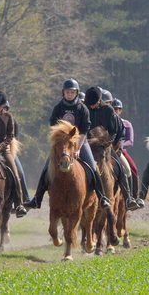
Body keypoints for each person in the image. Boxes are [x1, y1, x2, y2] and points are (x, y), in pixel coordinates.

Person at [24, 78, 111, 210]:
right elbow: (53, 127)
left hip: (80, 142)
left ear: (76, 93)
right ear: (63, 93)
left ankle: (102, 197)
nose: (69, 94)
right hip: (62, 144)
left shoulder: (83, 109)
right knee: (46, 168)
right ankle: (37, 198)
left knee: (93, 167)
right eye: (67, 92)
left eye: (72, 92)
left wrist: (77, 149)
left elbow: (84, 130)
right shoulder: (58, 108)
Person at [85, 86, 140, 211]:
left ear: (99, 100)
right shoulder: (86, 108)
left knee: (123, 168)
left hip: (105, 145)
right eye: (89, 104)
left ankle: (128, 197)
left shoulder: (108, 110)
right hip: (87, 145)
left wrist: (106, 142)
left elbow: (114, 132)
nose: (91, 107)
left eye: (93, 104)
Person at [112, 98, 144, 208]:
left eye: (117, 109)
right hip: (107, 151)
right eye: (113, 108)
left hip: (121, 152)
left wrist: (119, 146)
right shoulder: (107, 122)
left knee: (133, 169)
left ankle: (134, 196)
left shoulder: (126, 124)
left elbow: (130, 141)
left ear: (120, 111)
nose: (115, 111)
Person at [2, 101, 29, 202]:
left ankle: (24, 198)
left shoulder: (13, 122)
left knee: (20, 172)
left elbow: (14, 141)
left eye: (4, 108)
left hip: (9, 151)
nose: (2, 110)